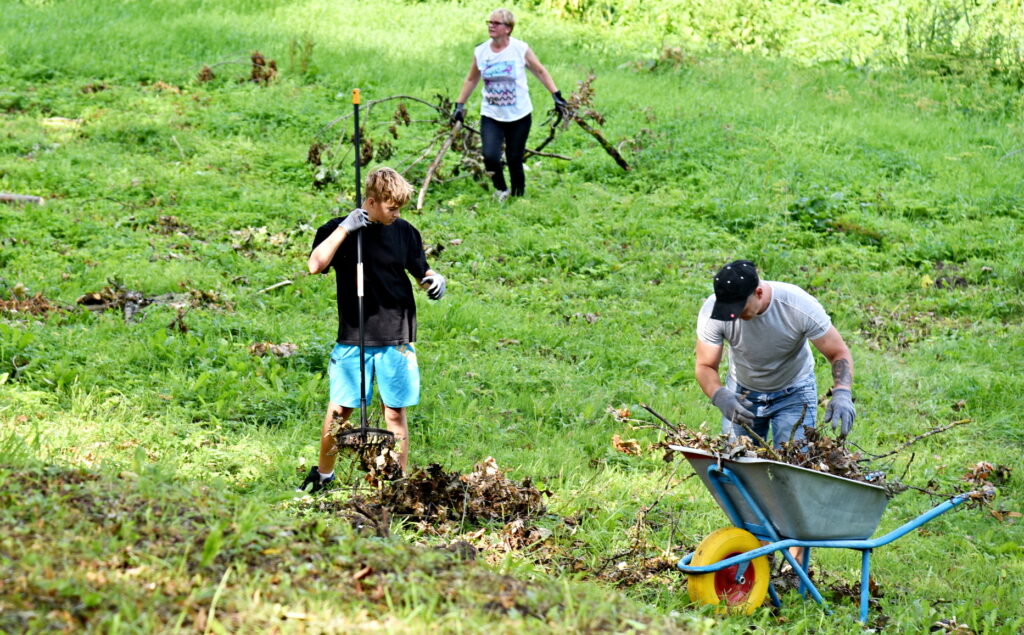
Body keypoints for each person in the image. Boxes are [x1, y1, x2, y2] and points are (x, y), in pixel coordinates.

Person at [297, 167, 446, 493]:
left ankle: (398, 486)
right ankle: (323, 476)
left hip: (397, 337)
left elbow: (421, 270)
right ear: (372, 201)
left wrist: (433, 280)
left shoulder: (404, 231)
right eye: (391, 207)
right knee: (339, 411)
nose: (397, 213)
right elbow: (315, 265)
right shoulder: (336, 230)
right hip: (355, 336)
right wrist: (345, 229)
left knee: (394, 414)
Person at [694, 260, 856, 449]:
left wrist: (843, 392)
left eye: (739, 309)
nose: (733, 316)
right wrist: (720, 395)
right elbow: (705, 365)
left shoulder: (797, 305)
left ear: (759, 293)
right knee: (738, 463)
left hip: (794, 392)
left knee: (793, 463)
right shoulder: (714, 312)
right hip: (741, 393)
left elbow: (838, 352)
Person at [451, 8, 568, 201]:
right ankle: (501, 189)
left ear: (508, 28)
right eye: (489, 22)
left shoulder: (519, 49)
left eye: (496, 23)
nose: (491, 25)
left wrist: (556, 95)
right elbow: (471, 80)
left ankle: (518, 196)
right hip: (491, 114)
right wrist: (459, 105)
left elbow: (540, 71)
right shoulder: (481, 52)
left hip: (519, 115)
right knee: (490, 156)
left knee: (514, 158)